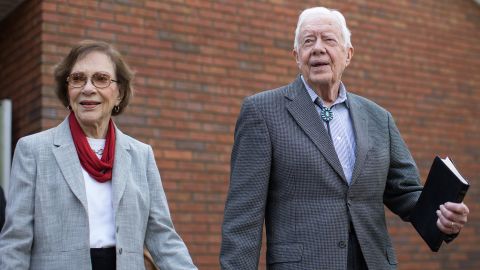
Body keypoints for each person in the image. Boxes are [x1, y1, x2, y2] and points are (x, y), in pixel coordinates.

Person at [220, 7, 470, 270]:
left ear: (348, 54)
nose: (317, 48)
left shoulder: (378, 118)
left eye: (328, 40)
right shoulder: (262, 111)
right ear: (297, 56)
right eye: (308, 41)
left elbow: (406, 192)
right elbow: (243, 218)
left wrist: (443, 218)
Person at [0, 40, 197, 270]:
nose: (88, 88)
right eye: (77, 78)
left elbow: (163, 238)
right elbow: (15, 243)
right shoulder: (33, 150)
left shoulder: (141, 156)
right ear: (67, 89)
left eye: (101, 79)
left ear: (120, 93)